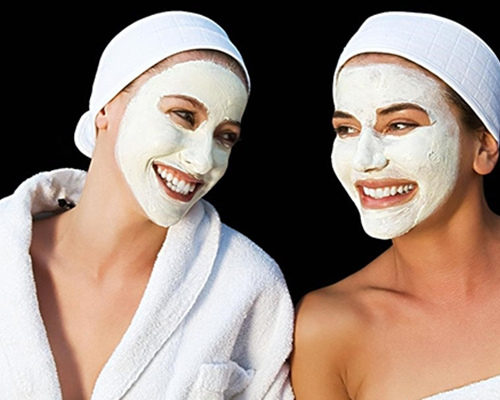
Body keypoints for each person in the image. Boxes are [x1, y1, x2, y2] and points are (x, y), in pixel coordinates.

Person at [0, 11, 294, 399]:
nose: (203, 161)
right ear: (105, 109)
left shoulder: (247, 284)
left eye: (225, 137)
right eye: (184, 116)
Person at [291, 11, 500, 400]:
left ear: (484, 148)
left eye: (400, 124)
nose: (364, 160)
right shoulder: (328, 328)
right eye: (346, 129)